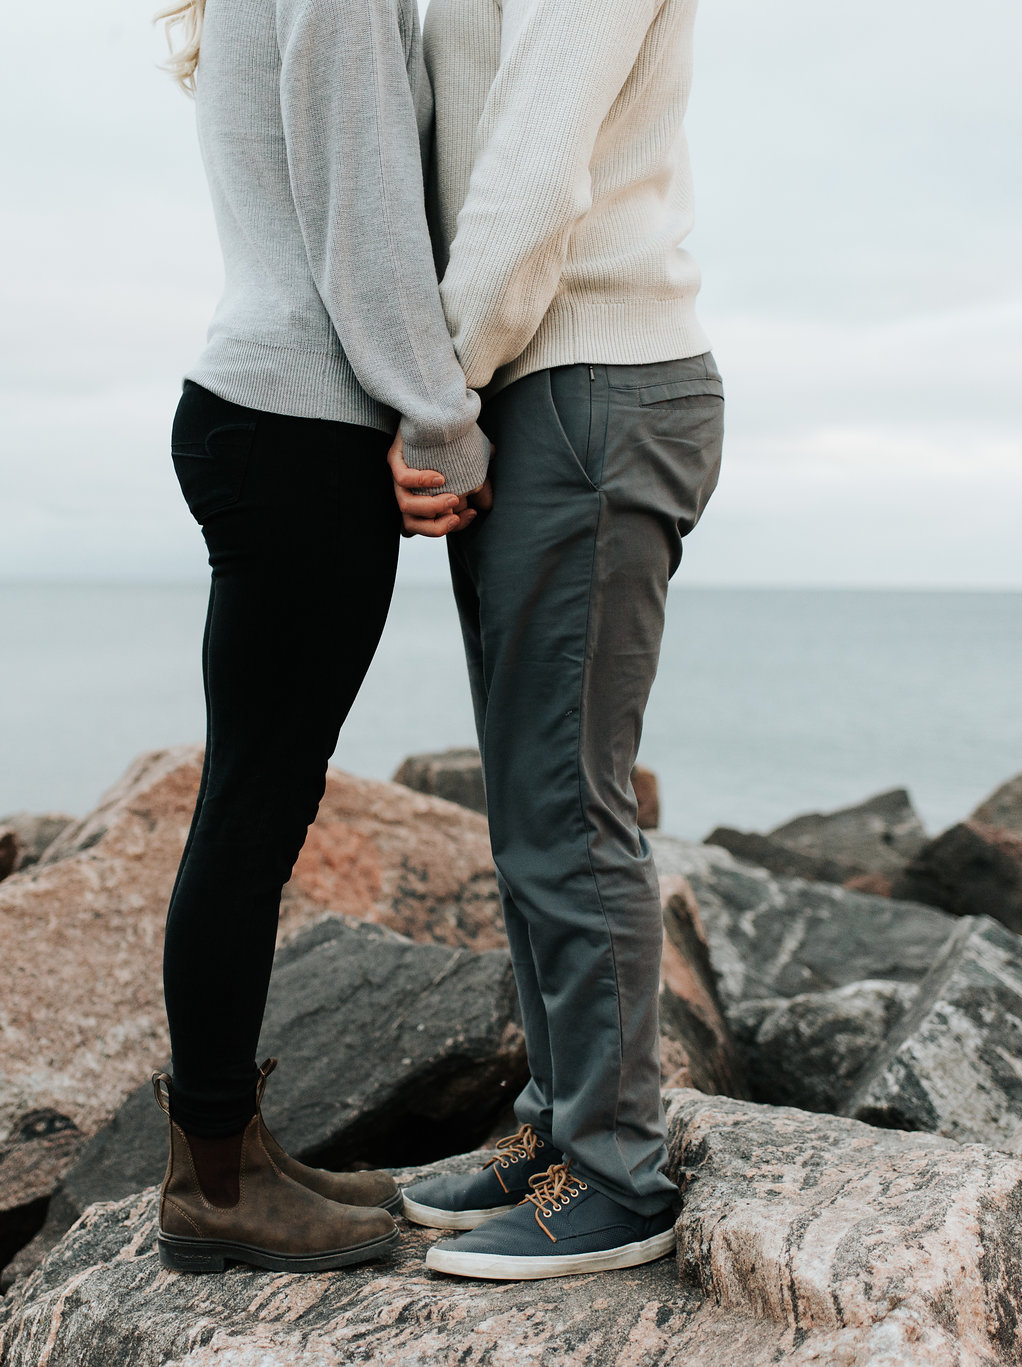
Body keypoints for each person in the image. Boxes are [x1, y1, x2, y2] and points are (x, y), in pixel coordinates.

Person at [144, 0, 489, 1274]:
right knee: (250, 812)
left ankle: (231, 1150)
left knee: (253, 802)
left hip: (259, 409)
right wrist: (442, 421)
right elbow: (364, 222)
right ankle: (214, 1186)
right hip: (297, 421)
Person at [394, 0, 726, 1281]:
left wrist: (438, 398)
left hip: (590, 383)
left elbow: (531, 175)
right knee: (529, 805)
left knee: (564, 804)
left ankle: (615, 1171)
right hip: (548, 391)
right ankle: (556, 1126)